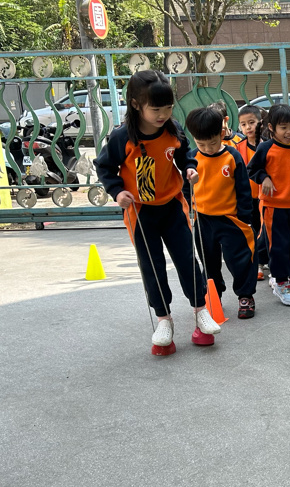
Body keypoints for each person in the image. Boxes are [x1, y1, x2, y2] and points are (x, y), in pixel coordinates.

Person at [94, 69, 221, 350]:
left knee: (187, 260)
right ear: (136, 104)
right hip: (140, 212)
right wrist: (117, 191)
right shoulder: (122, 137)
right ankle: (164, 319)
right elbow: (104, 166)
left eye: (168, 108)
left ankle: (201, 311)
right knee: (152, 265)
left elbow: (185, 154)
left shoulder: (172, 129)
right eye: (156, 109)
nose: (163, 115)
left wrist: (190, 168)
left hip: (172, 205)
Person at [185, 105, 258, 320]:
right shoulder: (191, 158)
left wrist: (245, 217)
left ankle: (245, 295)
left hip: (230, 218)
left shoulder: (232, 156)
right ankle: (213, 295)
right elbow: (185, 188)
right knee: (208, 261)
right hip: (203, 219)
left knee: (240, 259)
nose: (207, 148)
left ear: (221, 132)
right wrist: (188, 209)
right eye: (201, 144)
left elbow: (243, 189)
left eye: (213, 142)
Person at [246, 104, 290, 307]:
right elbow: (251, 169)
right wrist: (263, 177)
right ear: (272, 128)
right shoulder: (266, 148)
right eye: (283, 127)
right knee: (279, 247)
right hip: (273, 207)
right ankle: (281, 283)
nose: (289, 132)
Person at [236, 104, 267, 281]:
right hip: (247, 198)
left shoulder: (267, 145)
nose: (248, 127)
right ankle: (257, 264)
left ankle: (264, 260)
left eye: (252, 122)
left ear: (260, 123)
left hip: (266, 197)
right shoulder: (238, 148)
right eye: (243, 124)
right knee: (251, 231)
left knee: (265, 230)